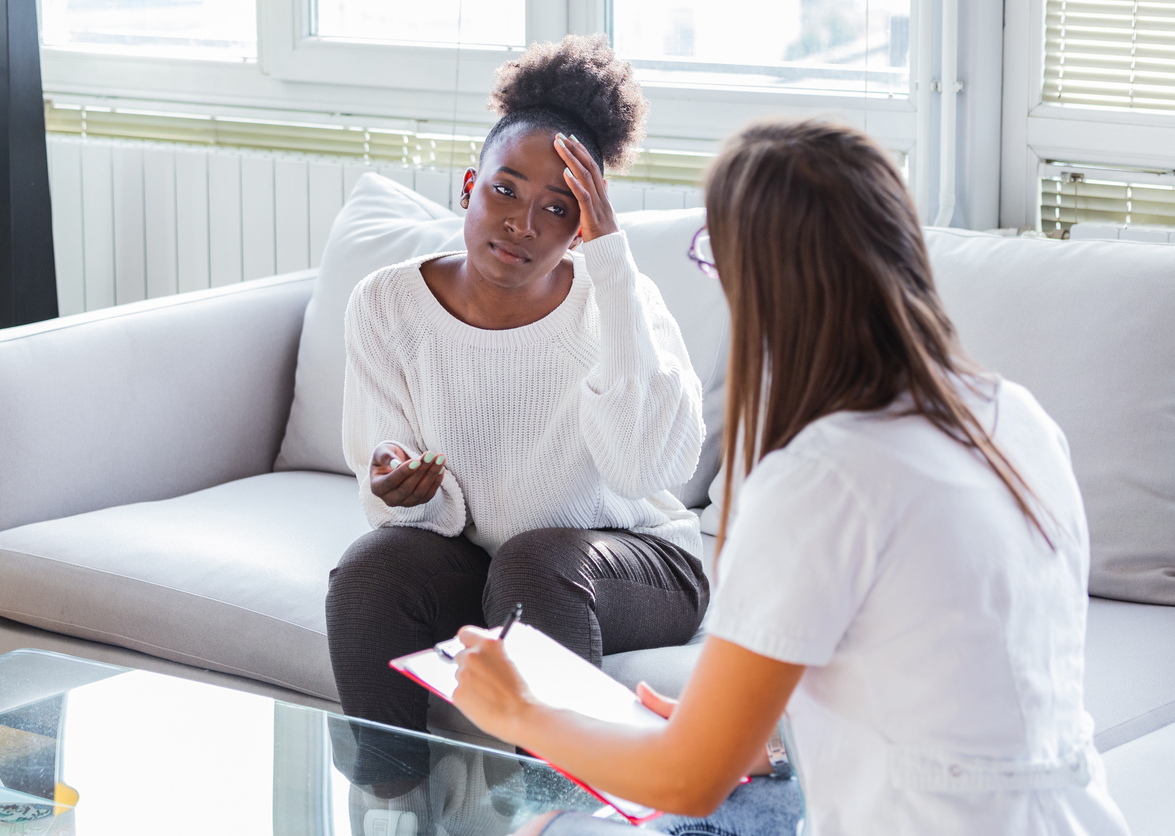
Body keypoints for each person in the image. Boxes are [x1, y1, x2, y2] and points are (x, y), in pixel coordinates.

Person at [448, 120, 1133, 836]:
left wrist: (518, 710)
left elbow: (688, 780)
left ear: (763, 281)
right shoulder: (1009, 415)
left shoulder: (821, 479)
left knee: (559, 827)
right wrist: (732, 727)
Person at [327, 34, 709, 787]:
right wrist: (401, 483)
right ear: (470, 184)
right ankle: (391, 806)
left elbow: (642, 468)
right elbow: (395, 486)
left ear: (581, 226)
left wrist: (613, 266)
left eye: (556, 208)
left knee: (535, 564)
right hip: (491, 559)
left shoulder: (618, 303)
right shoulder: (387, 303)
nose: (521, 223)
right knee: (372, 569)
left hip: (637, 561)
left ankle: (551, 811)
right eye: (505, 189)